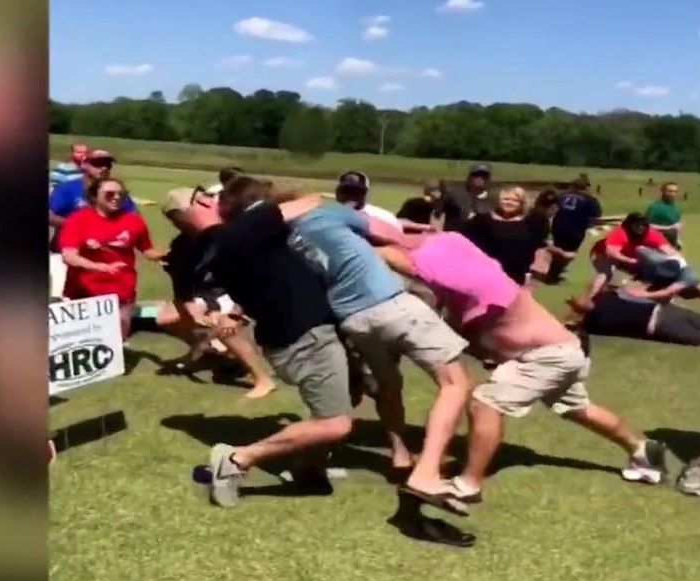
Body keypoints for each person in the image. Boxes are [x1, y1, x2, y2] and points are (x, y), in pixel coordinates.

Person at [367, 229, 669, 504]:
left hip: (548, 355)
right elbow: (422, 252)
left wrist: (367, 249)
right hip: (558, 352)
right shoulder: (471, 273)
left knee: (485, 402)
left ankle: (469, 484)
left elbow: (415, 267)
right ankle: (642, 449)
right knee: (579, 409)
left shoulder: (477, 280)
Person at [260, 184, 472, 514]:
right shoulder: (327, 212)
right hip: (391, 303)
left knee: (388, 386)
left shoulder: (285, 241)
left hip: (352, 319)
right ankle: (427, 471)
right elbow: (392, 235)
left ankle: (400, 455)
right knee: (455, 382)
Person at [177, 179, 356, 508]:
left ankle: (310, 471)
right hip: (307, 335)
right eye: (203, 197)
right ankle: (238, 459)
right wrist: (277, 194)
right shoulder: (247, 228)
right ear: (200, 208)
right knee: (335, 423)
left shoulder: (211, 248)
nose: (209, 199)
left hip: (286, 338)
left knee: (324, 410)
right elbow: (311, 201)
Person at [155, 187, 276, 399]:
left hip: (242, 294)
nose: (178, 223)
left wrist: (236, 313)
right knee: (166, 318)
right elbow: (182, 281)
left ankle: (262, 378)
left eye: (180, 216)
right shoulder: (182, 244)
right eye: (174, 219)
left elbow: (254, 278)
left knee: (223, 324)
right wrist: (192, 309)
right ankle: (209, 351)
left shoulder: (230, 232)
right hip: (210, 295)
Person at [58, 177, 165, 338]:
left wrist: (171, 253)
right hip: (84, 289)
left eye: (120, 194)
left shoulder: (133, 221)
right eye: (109, 194)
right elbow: (69, 256)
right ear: (94, 196)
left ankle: (118, 358)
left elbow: (148, 251)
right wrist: (99, 267)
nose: (116, 197)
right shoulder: (78, 220)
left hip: (122, 287)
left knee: (120, 330)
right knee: (83, 335)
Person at [48, 149, 136, 298]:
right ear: (84, 165)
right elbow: (49, 214)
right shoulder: (68, 189)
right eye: (98, 164)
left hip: (105, 258)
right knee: (64, 300)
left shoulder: (115, 191)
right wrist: (77, 227)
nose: (103, 168)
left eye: (108, 164)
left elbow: (133, 218)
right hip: (65, 253)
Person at [566, 285, 700, 346]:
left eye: (582, 299)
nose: (584, 302)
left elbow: (615, 288)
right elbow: (575, 327)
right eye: (579, 305)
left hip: (662, 309)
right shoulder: (593, 323)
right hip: (658, 326)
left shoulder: (603, 297)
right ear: (580, 311)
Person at [459, 185, 546, 285]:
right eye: (506, 199)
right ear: (498, 200)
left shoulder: (533, 222)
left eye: (515, 200)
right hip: (486, 274)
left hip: (517, 276)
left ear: (522, 203)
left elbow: (539, 246)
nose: (509, 202)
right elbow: (462, 241)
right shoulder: (482, 220)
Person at [545, 178, 603, 281]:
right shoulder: (590, 199)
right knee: (569, 253)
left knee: (559, 249)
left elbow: (551, 208)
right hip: (576, 230)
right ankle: (554, 274)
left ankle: (553, 272)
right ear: (586, 187)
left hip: (558, 227)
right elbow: (597, 215)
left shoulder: (562, 195)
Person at [333, 171, 403, 232]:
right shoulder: (328, 217)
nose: (350, 195)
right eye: (346, 191)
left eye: (356, 191)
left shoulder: (385, 219)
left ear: (366, 193)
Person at [438, 163, 496, 231]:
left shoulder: (493, 199)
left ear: (488, 179)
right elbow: (438, 214)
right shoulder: (454, 194)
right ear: (469, 177)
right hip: (455, 236)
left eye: (484, 176)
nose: (480, 178)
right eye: (476, 175)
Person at [645, 182, 684, 248]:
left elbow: (676, 226)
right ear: (662, 191)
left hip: (671, 242)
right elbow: (646, 226)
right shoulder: (654, 207)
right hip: (655, 243)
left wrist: (678, 240)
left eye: (675, 192)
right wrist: (668, 228)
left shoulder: (676, 209)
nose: (673, 194)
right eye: (670, 191)